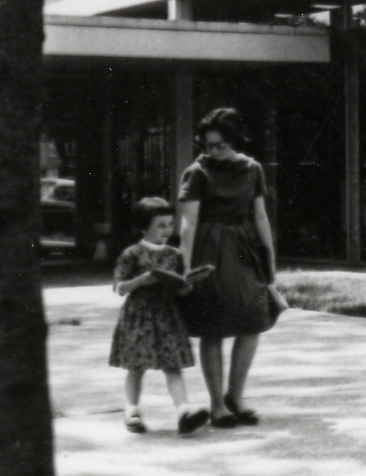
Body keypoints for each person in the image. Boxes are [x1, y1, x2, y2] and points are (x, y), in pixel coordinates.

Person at [177, 107, 281, 428]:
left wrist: (270, 257)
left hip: (245, 249)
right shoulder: (197, 172)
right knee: (214, 325)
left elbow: (260, 216)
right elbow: (188, 224)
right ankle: (217, 404)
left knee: (253, 319)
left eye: (220, 145)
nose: (213, 152)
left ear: (234, 141)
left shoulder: (252, 169)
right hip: (209, 251)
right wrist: (184, 268)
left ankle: (236, 395)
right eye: (207, 146)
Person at [111, 197, 210, 436]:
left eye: (169, 224)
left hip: (167, 316)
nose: (167, 230)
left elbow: (178, 285)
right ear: (143, 227)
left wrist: (186, 286)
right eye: (161, 226)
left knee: (172, 365)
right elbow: (119, 287)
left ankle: (183, 411)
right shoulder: (132, 253)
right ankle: (132, 410)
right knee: (136, 366)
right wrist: (141, 280)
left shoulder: (174, 255)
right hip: (139, 317)